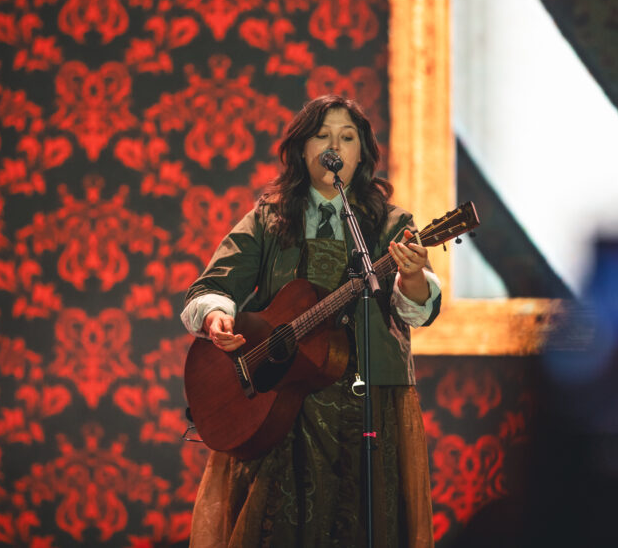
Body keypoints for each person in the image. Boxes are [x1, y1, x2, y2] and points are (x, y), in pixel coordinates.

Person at [180, 95, 441, 547]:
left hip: (367, 402)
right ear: (302, 149)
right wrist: (218, 317)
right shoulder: (271, 218)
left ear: (361, 154)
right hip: (279, 400)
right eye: (322, 136)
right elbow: (210, 288)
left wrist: (413, 274)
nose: (333, 146)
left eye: (346, 137)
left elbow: (414, 309)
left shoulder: (391, 225)